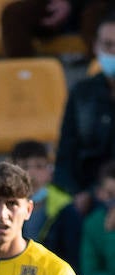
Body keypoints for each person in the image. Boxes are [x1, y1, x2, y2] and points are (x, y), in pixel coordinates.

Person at [55, 15, 115, 204]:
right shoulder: (82, 93)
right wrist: (75, 193)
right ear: (96, 47)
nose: (113, 51)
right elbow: (65, 153)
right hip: (83, 193)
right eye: (108, 44)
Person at [13, 140, 80, 268]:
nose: (31, 173)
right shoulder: (1, 207)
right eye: (25, 166)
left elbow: (72, 256)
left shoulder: (66, 209)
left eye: (39, 166)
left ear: (50, 172)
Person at [79, 161, 115, 275]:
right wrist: (110, 234)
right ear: (100, 194)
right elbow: (90, 273)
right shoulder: (94, 223)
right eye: (111, 194)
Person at [2, 0, 109, 57]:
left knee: (94, 14)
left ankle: (103, 77)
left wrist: (71, 4)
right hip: (56, 7)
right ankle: (23, 75)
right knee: (13, 13)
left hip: (93, 6)